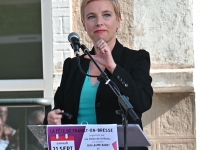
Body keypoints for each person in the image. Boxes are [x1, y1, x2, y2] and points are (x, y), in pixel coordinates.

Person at [44, 0, 153, 149]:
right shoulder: (73, 65)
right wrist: (51, 120)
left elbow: (143, 102)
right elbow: (60, 110)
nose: (99, 22)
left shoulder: (135, 59)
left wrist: (112, 67)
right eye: (91, 17)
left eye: (106, 15)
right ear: (84, 24)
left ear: (118, 21)